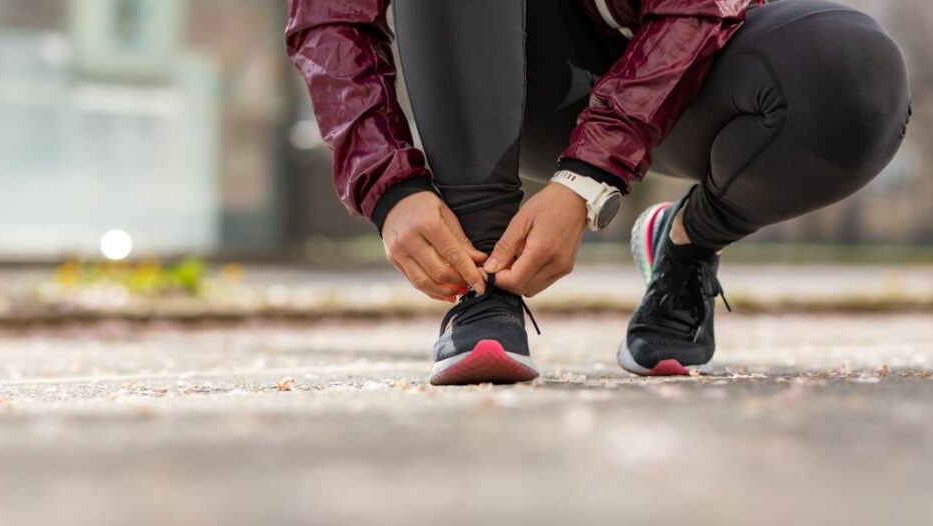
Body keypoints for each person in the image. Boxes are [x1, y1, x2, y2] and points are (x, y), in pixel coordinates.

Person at [285, 0, 910, 385]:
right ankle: (484, 286)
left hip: (695, 61)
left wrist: (587, 179)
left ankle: (688, 243)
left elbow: (695, 5)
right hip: (520, 80)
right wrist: (388, 185)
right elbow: (329, 15)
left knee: (853, 70)